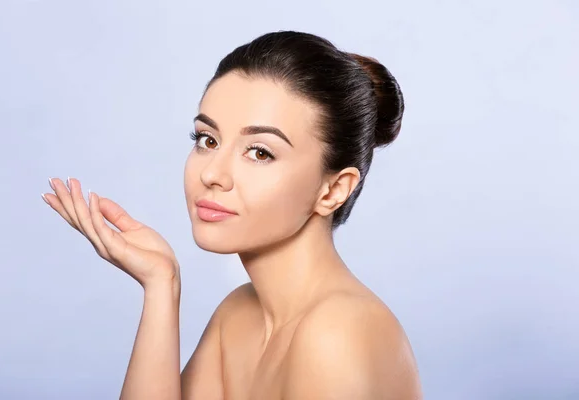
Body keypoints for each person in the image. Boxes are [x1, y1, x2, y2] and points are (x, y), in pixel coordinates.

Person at [41, 30, 422, 399]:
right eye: (207, 140)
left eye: (260, 152)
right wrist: (161, 285)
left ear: (333, 190)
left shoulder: (337, 334)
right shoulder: (239, 315)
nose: (212, 174)